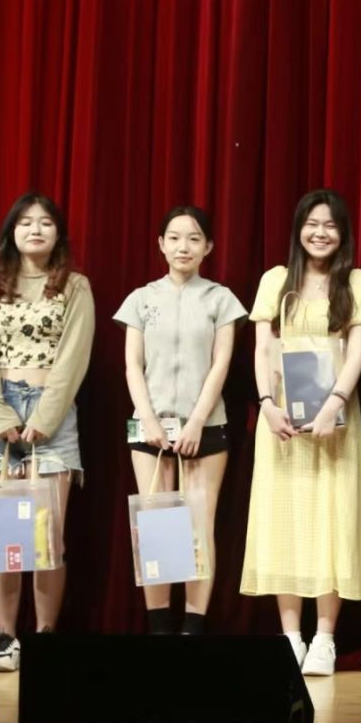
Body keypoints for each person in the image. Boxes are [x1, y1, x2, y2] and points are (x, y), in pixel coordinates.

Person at [242, 189, 361, 674]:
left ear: (343, 233)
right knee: (285, 520)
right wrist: (266, 405)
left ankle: (324, 638)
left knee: (331, 521)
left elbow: (357, 351)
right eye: (312, 224)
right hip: (281, 421)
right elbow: (262, 349)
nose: (320, 233)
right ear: (299, 229)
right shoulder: (275, 280)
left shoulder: (356, 280)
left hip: (334, 422)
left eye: (330, 225)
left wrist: (334, 403)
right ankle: (290, 636)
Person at [0, 193, 95, 672]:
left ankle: (44, 637)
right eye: (25, 222)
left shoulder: (75, 286)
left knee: (46, 536)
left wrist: (45, 416)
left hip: (51, 416)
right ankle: (5, 637)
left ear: (58, 233)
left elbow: (74, 356)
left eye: (44, 223)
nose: (35, 230)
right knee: (5, 536)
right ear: (11, 232)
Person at [114, 205, 245, 635]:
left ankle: (192, 628)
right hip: (148, 426)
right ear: (160, 244)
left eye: (193, 238)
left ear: (208, 247)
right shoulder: (141, 299)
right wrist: (148, 419)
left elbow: (220, 365)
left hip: (205, 425)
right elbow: (132, 366)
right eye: (174, 237)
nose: (182, 246)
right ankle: (158, 628)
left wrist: (196, 422)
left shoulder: (220, 299)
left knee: (197, 526)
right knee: (155, 523)